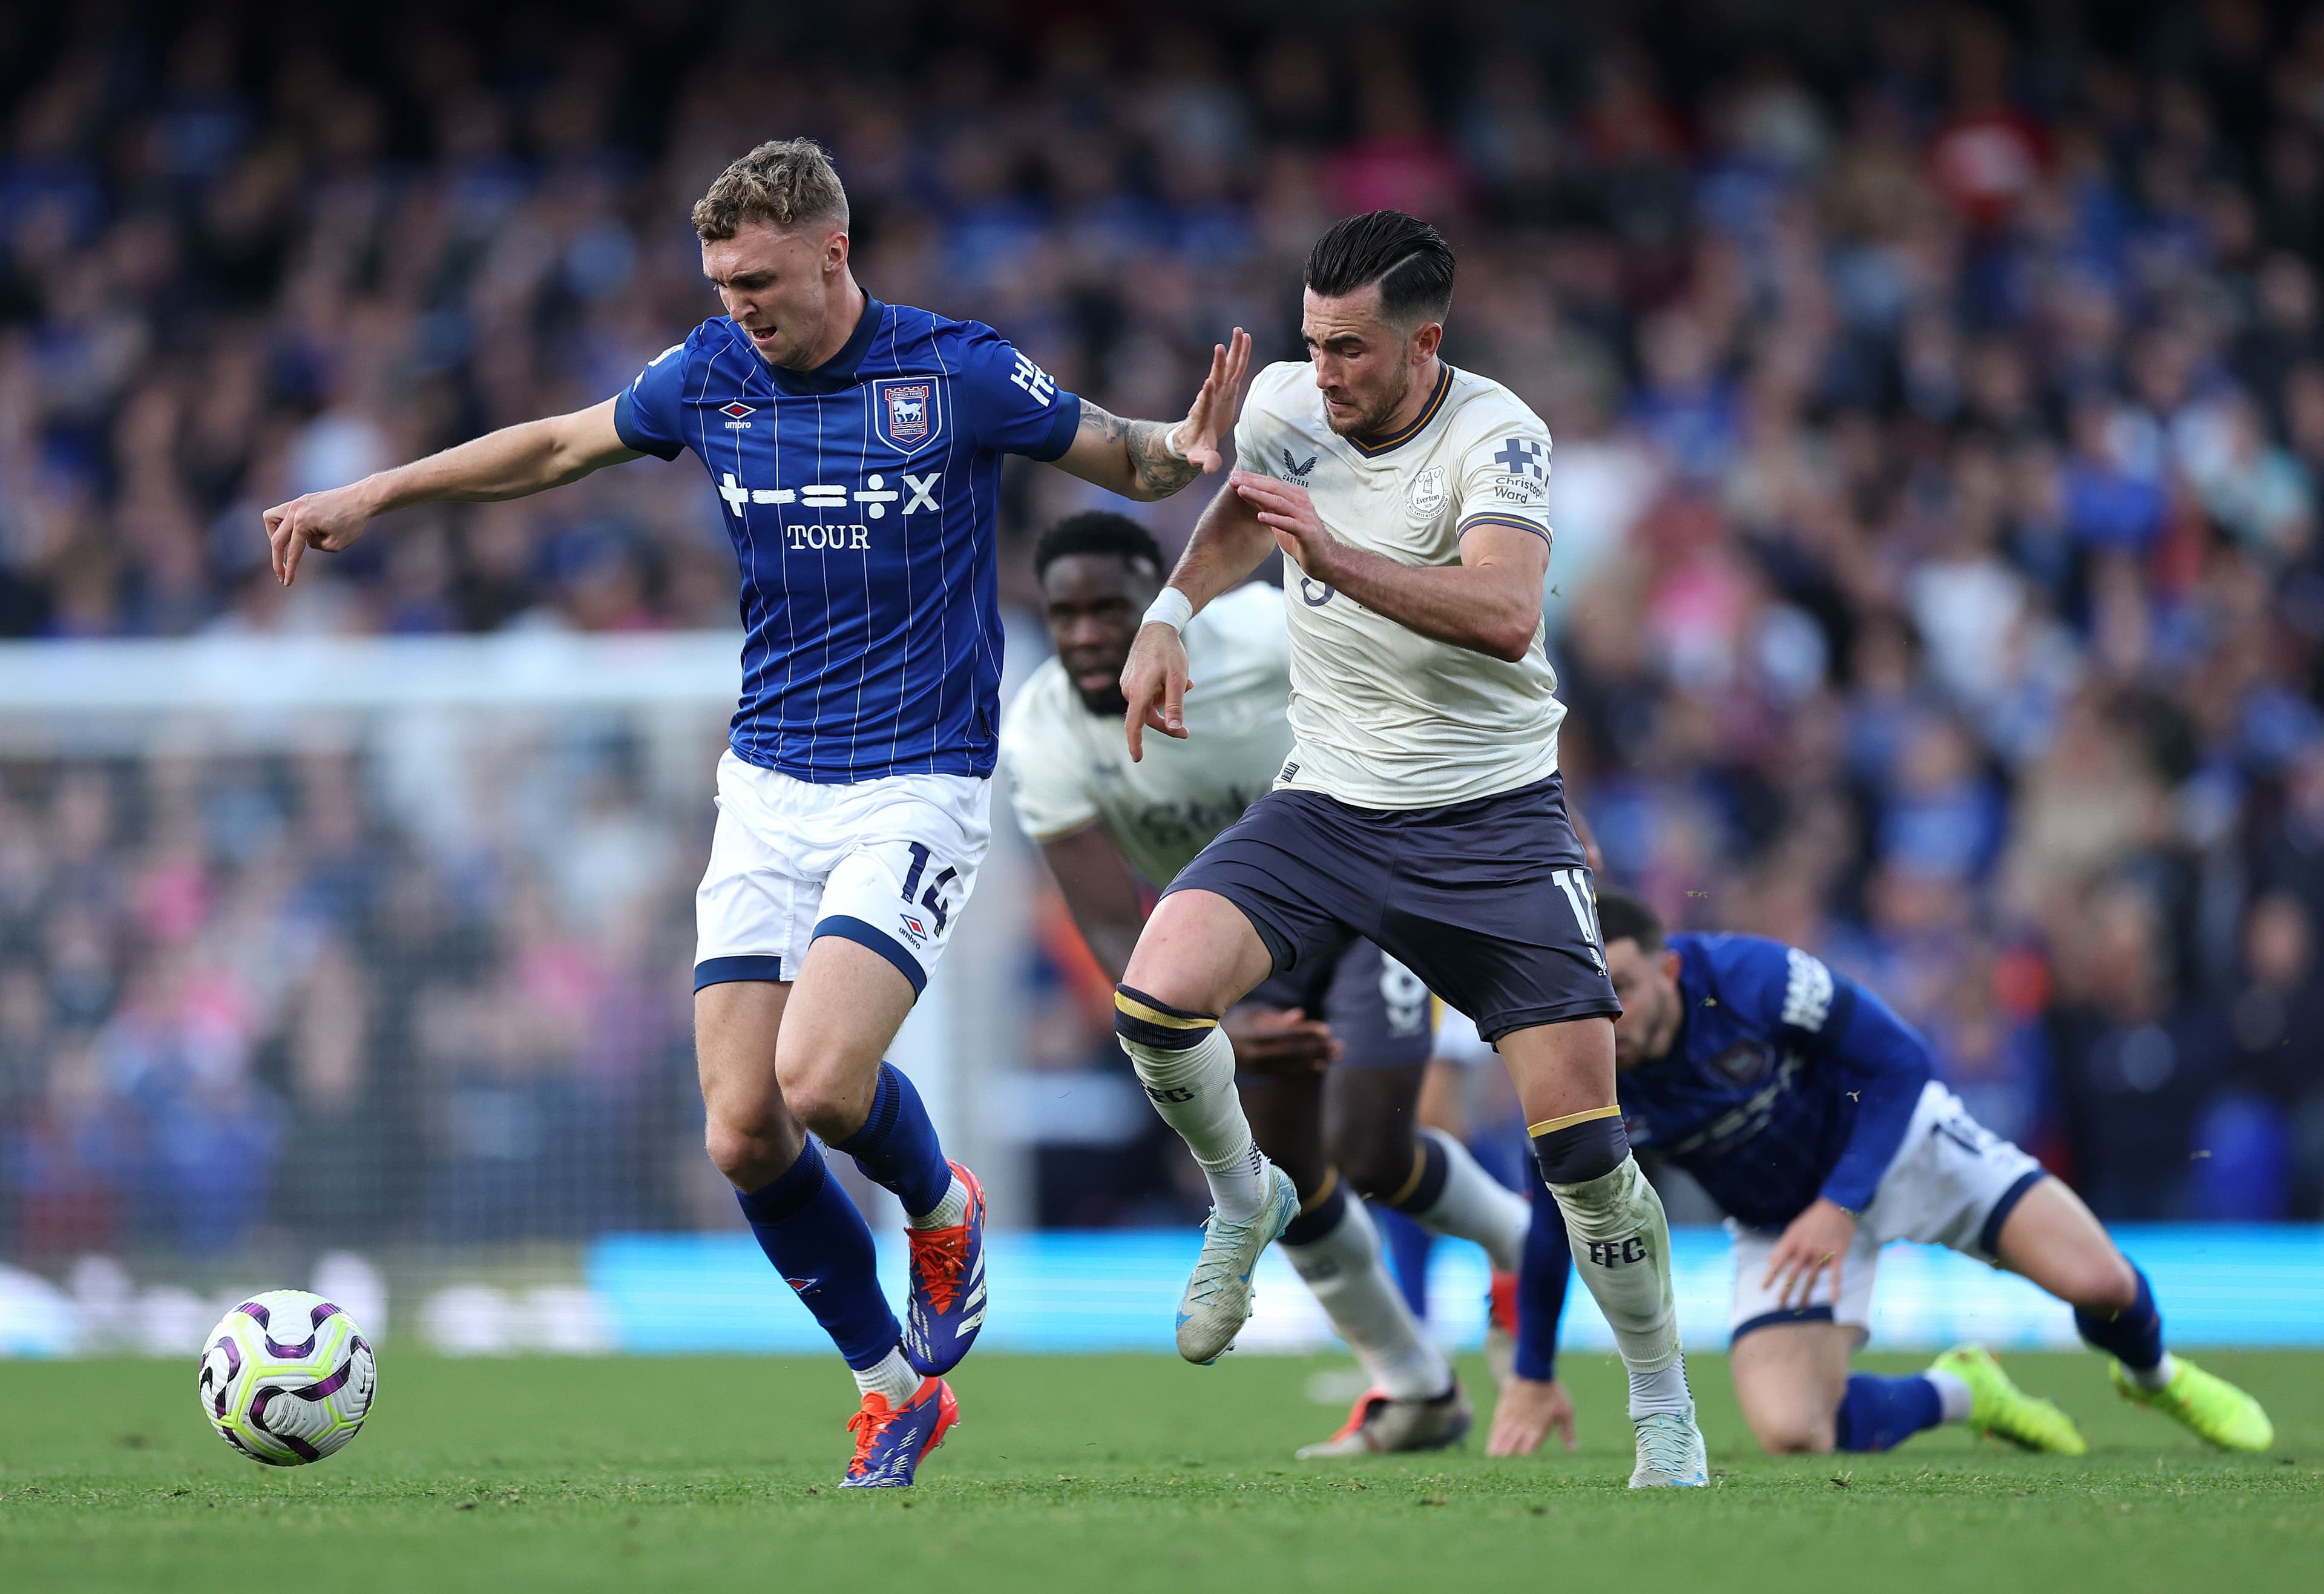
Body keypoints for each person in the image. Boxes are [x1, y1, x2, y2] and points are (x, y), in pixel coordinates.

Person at [260, 139, 1250, 1488]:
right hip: (770, 781)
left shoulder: (950, 371)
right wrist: (376, 490)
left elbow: (1123, 458)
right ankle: (891, 1390)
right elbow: (558, 443)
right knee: (741, 1129)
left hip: (916, 775)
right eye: (724, 283)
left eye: (762, 281)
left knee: (822, 1081)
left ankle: (940, 1203)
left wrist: (1181, 449)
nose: (743, 307)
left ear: (834, 253)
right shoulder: (711, 375)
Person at [1111, 209, 1709, 1487]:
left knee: (1585, 1152)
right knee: (1157, 999)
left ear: (1425, 343)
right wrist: (1169, 610)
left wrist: (1334, 550)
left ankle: (1663, 1405)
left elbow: (1503, 611)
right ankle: (1242, 1199)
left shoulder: (1498, 436)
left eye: (1353, 353)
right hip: (1327, 802)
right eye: (1314, 344)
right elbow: (1240, 509)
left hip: (1489, 816)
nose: (1325, 374)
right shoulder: (1286, 401)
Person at [1000, 509, 1538, 1456]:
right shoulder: (1040, 730)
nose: (1087, 634)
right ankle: (1414, 1387)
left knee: (1371, 1145)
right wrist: (1213, 1026)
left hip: (1372, 901)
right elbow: (1115, 921)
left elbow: (1412, 681)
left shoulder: (1263, 634)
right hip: (1239, 948)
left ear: (1163, 605)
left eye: (1110, 609)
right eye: (1065, 614)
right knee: (1287, 1171)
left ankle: (1515, 1240)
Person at [1486, 889, 2274, 1458]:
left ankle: (2154, 1372)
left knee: (2101, 1283)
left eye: (1622, 987)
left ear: (1669, 965)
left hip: (1902, 1150)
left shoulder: (1752, 978)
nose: (1611, 1017)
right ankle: (1963, 1391)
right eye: (1595, 997)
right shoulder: (1581, 1071)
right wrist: (1532, 1371)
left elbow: (1900, 1060)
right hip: (1782, 1224)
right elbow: (1561, 1219)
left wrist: (1842, 1201)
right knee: (1794, 1432)